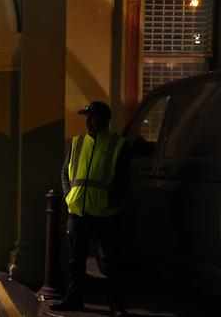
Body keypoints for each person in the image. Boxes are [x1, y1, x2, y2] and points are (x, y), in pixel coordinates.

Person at [51, 101, 130, 317]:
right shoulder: (76, 143)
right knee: (76, 260)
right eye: (86, 117)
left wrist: (113, 203)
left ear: (104, 120)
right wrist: (69, 197)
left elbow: (123, 179)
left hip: (106, 214)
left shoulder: (118, 144)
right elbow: (65, 173)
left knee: (110, 261)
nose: (87, 121)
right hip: (78, 213)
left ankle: (116, 305)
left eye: (91, 117)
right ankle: (73, 299)